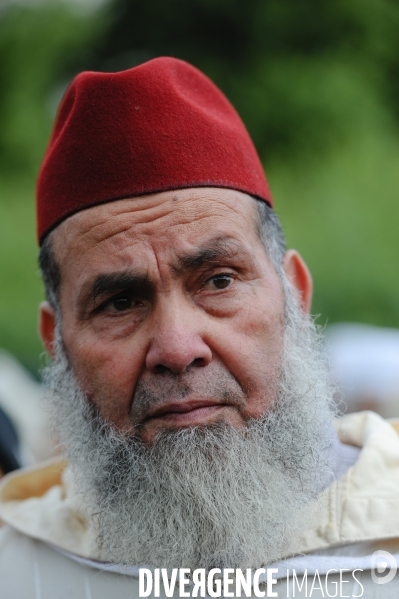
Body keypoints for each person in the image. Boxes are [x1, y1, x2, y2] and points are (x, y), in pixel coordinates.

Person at [0, 57, 398, 598]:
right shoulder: (17, 566)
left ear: (296, 297)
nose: (178, 348)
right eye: (119, 303)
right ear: (58, 345)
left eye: (218, 282)